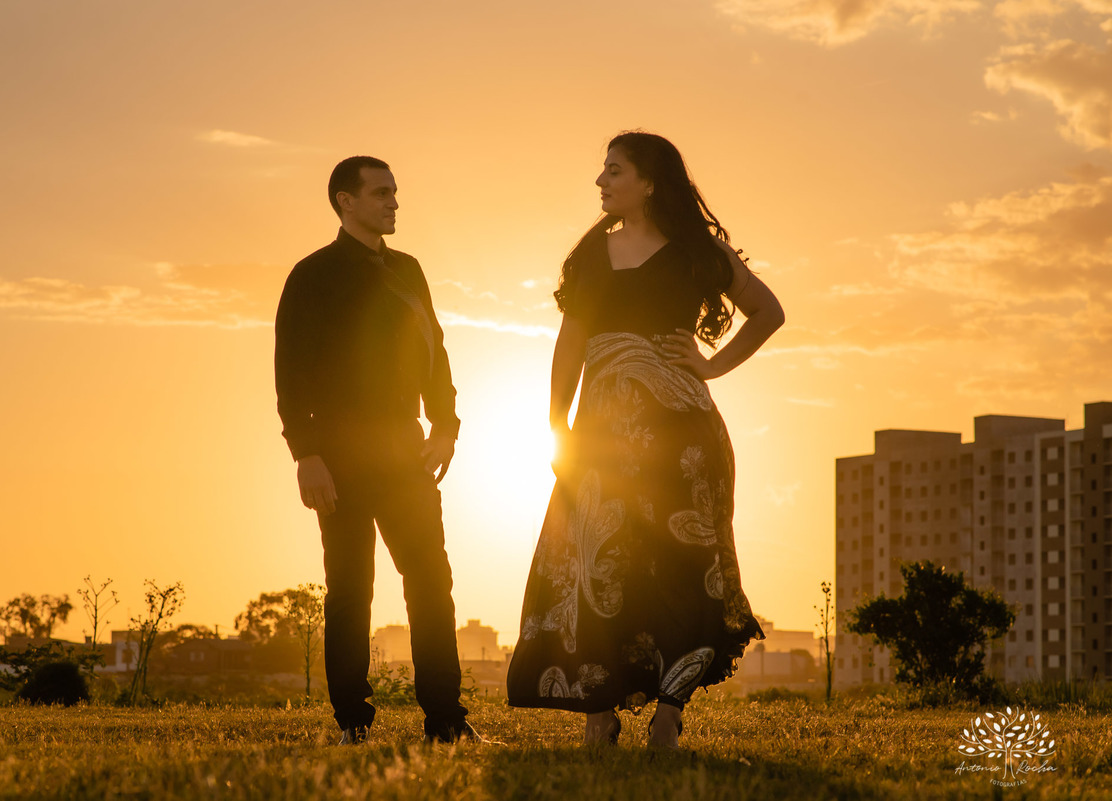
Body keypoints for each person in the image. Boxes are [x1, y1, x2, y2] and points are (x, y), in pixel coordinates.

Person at [506, 132, 784, 748]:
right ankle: (599, 710)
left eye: (614, 170)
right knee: (596, 565)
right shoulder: (590, 255)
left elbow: (769, 311)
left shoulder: (697, 252)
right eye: (602, 171)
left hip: (685, 438)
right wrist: (557, 427)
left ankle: (670, 707)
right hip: (602, 438)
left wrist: (712, 366)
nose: (600, 182)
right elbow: (570, 346)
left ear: (649, 182)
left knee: (682, 569)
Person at [274, 156, 480, 745]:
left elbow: (435, 353)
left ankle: (445, 719)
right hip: (336, 454)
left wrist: (446, 424)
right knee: (349, 588)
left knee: (431, 581)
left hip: (404, 448)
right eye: (381, 193)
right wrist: (306, 455)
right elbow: (291, 374)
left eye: (395, 192)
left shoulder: (410, 271)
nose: (393, 203)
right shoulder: (310, 276)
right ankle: (352, 724)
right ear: (346, 201)